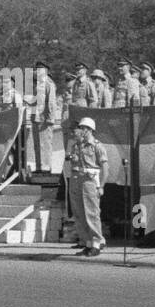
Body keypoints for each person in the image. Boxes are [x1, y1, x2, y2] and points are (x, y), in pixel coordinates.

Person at [67, 116, 108, 257]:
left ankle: (97, 243)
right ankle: (88, 242)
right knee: (79, 213)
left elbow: (105, 167)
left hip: (90, 181)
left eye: (84, 128)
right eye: (81, 128)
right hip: (77, 179)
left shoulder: (97, 146)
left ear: (90, 130)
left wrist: (101, 185)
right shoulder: (76, 146)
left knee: (92, 213)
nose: (82, 130)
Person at [27, 59, 57, 173]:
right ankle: (39, 167)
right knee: (37, 144)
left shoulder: (49, 84)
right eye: (37, 69)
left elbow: (51, 102)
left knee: (45, 144)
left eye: (40, 69)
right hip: (36, 117)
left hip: (44, 119)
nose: (38, 71)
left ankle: (46, 167)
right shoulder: (37, 84)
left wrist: (50, 118)